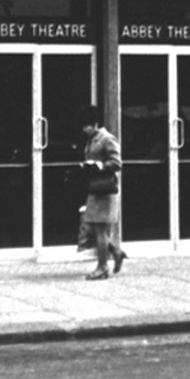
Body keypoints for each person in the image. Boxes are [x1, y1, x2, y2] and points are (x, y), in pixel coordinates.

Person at [80, 105, 126, 280]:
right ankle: (116, 252)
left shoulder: (106, 139)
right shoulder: (92, 139)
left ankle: (102, 267)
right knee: (91, 226)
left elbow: (116, 162)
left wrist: (100, 166)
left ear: (95, 123)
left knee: (99, 229)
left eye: (88, 125)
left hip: (105, 189)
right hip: (95, 188)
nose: (85, 129)